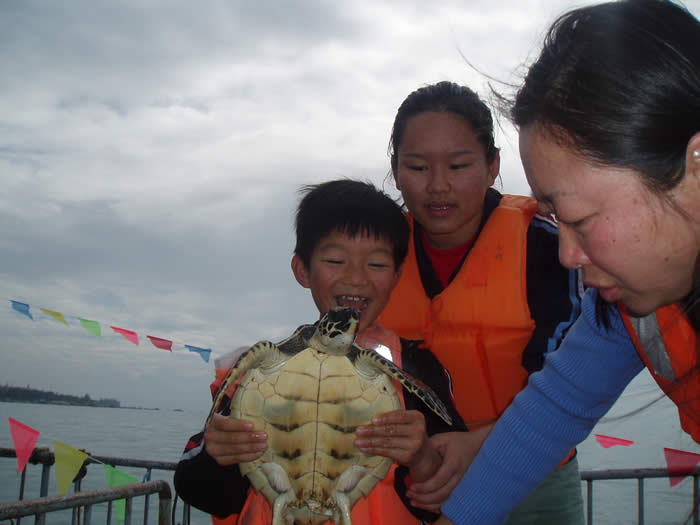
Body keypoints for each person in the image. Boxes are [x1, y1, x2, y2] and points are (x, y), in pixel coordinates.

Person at [408, 1, 700, 523]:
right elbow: (556, 405)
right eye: (553, 219)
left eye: (580, 219)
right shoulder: (629, 308)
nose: (568, 255)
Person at [355, 80, 585, 524]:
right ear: (395, 170)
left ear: (493, 165)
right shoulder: (377, 253)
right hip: (417, 480)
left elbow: (574, 378)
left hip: (536, 474)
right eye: (418, 167)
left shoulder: (545, 245)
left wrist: (477, 444)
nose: (438, 186)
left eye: (459, 165)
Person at [174, 179, 468, 524]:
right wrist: (217, 456)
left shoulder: (417, 368)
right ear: (303, 270)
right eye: (335, 260)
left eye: (376, 264)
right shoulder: (263, 367)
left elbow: (458, 499)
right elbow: (201, 489)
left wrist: (423, 459)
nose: (356, 278)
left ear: (397, 276)